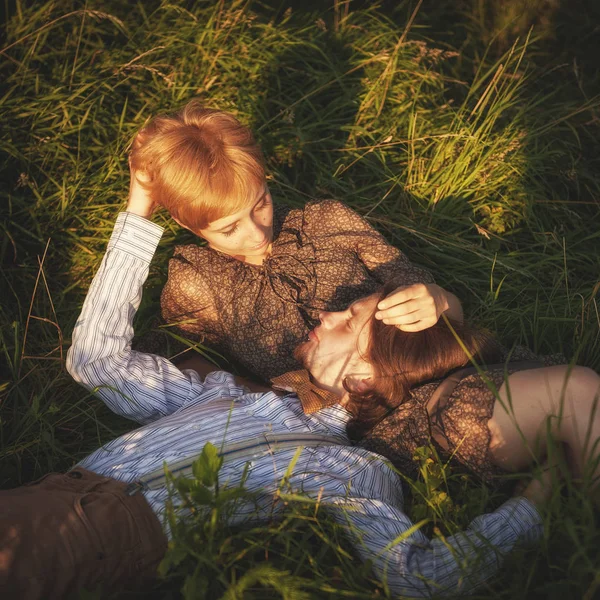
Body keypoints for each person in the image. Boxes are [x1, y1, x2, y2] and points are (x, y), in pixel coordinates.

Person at [0, 209, 547, 600]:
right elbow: (96, 362)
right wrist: (140, 209)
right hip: (54, 493)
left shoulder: (354, 472)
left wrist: (535, 505)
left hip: (102, 536)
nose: (328, 315)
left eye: (348, 321)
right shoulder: (241, 397)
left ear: (361, 377)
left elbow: (419, 575)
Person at [128, 100, 463, 383]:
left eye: (261, 204)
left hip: (429, 375)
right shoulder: (196, 285)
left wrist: (441, 301)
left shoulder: (324, 222)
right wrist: (274, 401)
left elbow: (438, 307)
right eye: (229, 229)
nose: (259, 234)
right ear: (185, 223)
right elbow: (184, 365)